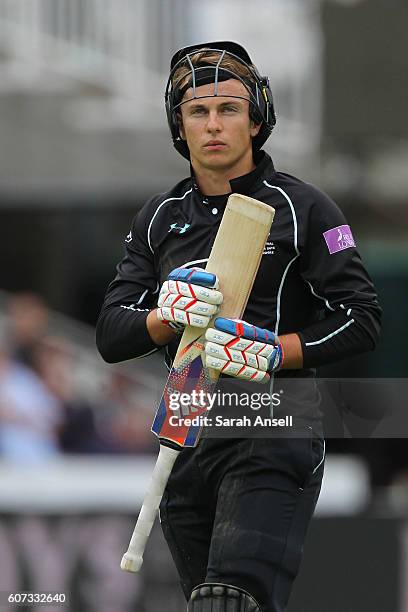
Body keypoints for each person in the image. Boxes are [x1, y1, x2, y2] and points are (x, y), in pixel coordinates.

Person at [96, 42, 381, 612]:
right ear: (180, 125)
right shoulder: (158, 216)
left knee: (229, 602)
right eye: (198, 111)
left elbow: (362, 318)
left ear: (256, 119)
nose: (214, 125)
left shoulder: (306, 208)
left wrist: (276, 352)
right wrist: (164, 316)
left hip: (274, 426)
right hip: (185, 432)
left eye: (229, 108)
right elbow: (110, 332)